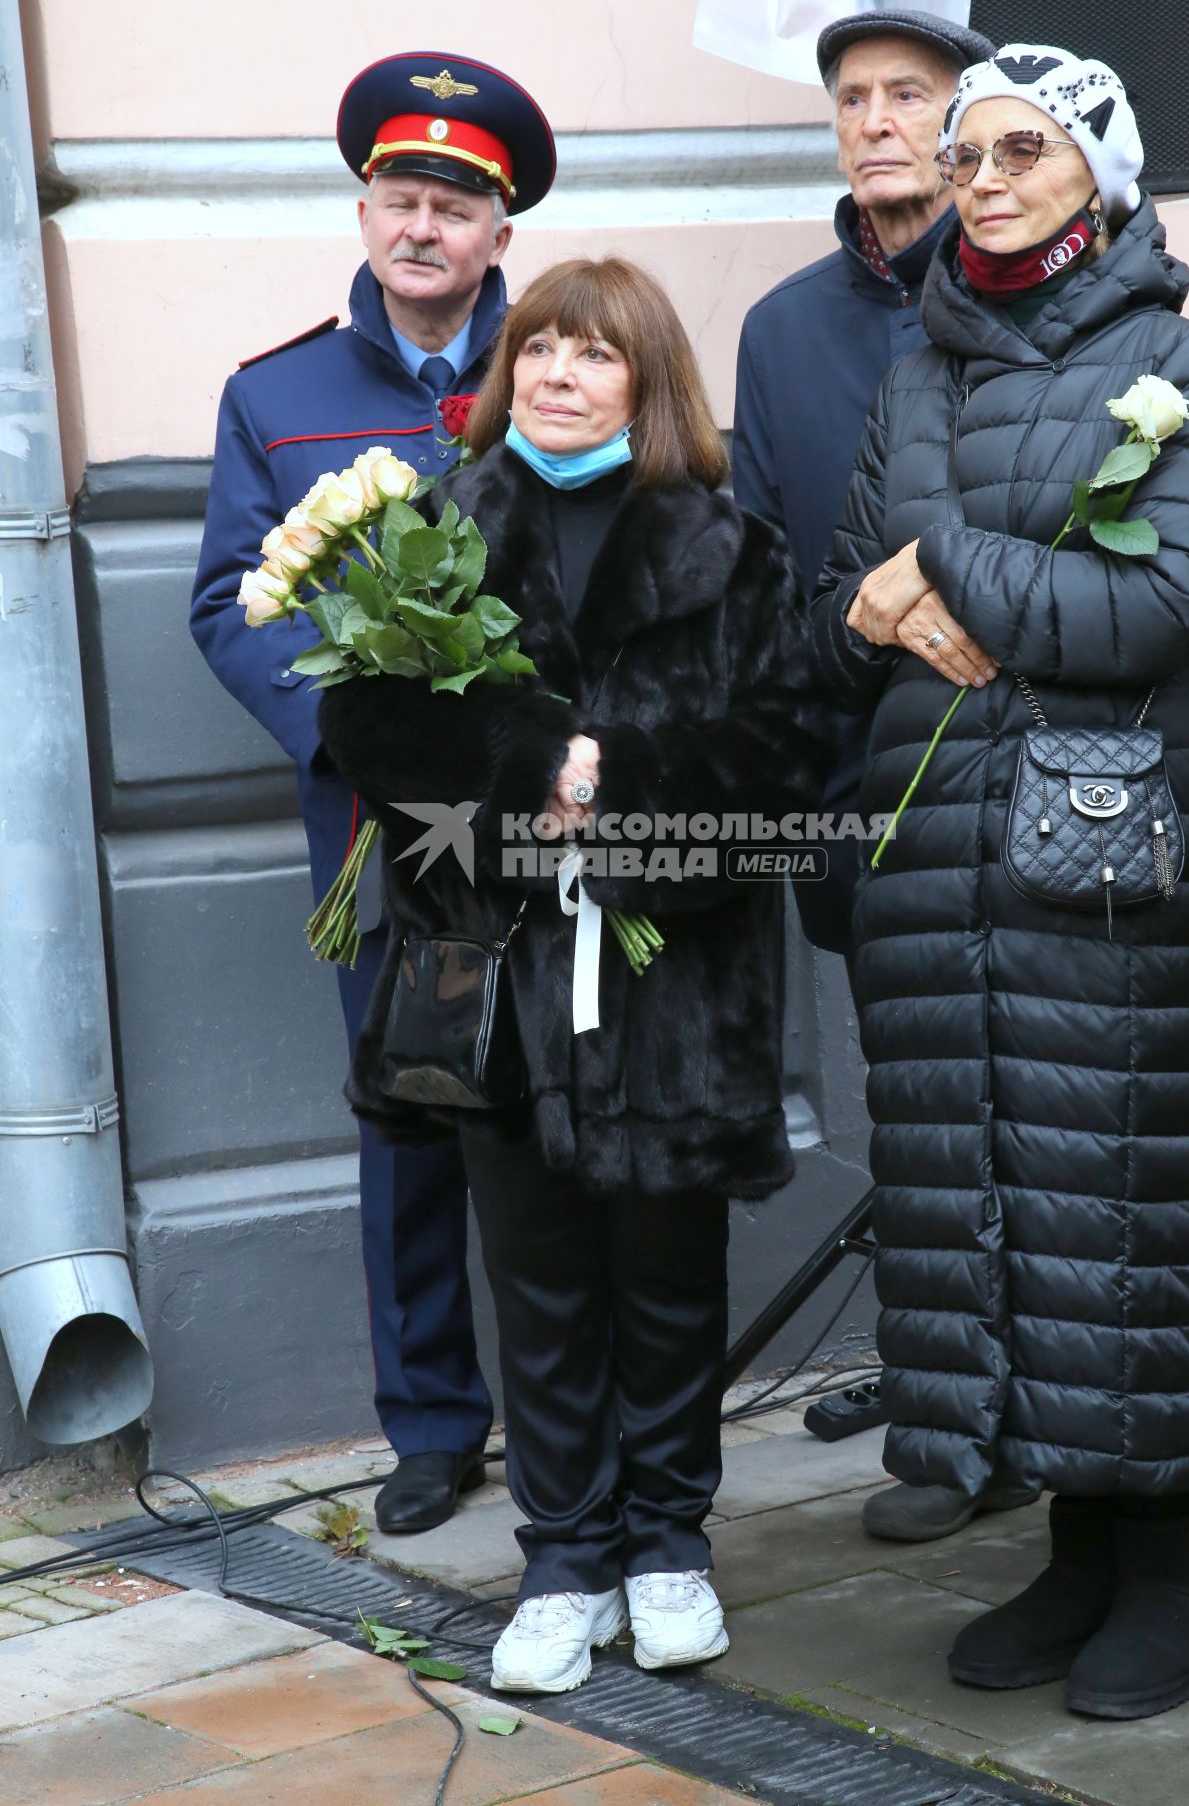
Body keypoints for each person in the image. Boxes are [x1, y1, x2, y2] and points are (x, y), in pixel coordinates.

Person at [317, 256, 834, 1694]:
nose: (555, 372)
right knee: (537, 1279)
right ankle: (563, 1557)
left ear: (647, 380)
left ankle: (668, 1544)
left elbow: (785, 756)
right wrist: (528, 777)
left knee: (667, 1279)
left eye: (592, 353)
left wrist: (631, 793)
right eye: (537, 346)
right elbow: (374, 729)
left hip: (678, 989)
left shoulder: (734, 547)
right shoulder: (435, 527)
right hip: (501, 983)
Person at [811, 44, 1189, 1720]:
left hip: (1105, 875)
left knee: (1120, 1209)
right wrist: (859, 611)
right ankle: (1077, 1549)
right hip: (934, 873)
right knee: (993, 1211)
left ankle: (1173, 1561)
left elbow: (1162, 604)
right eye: (966, 150)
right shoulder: (916, 376)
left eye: (1022, 152)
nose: (980, 177)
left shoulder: (1176, 361)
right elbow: (842, 598)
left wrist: (950, 569)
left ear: (1102, 185)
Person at [189, 52, 556, 1537]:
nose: (423, 227)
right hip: (372, 835)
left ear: (497, 233)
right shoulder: (276, 396)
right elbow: (231, 599)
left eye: (454, 206)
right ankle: (429, 1421)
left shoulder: (558, 365)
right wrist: (344, 730)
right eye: (401, 197)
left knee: (551, 1111)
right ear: (363, 211)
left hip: (537, 818)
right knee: (407, 1112)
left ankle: (560, 1415)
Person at [736, 12, 1034, 1547]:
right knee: (919, 1130)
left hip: (1023, 768)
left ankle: (1049, 1422)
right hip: (865, 782)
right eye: (849, 99)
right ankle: (944, 1425)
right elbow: (771, 576)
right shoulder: (782, 332)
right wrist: (857, 617)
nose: (874, 123)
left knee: (1042, 1120)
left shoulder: (1016, 296)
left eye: (906, 96)